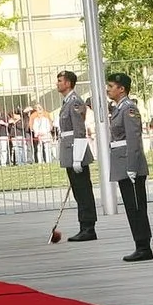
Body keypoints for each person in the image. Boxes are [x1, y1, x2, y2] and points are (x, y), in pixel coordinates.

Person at [105, 72, 153, 262]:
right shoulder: (119, 108)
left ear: (121, 89)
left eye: (111, 86)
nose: (108, 89)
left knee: (136, 207)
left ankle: (143, 246)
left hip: (129, 163)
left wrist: (132, 166)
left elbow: (133, 139)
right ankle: (139, 245)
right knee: (131, 207)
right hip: (122, 162)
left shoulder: (128, 108)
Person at [53, 71, 97, 242]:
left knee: (83, 190)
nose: (57, 84)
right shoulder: (67, 102)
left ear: (69, 83)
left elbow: (79, 130)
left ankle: (88, 227)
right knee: (78, 191)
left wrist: (78, 157)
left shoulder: (75, 102)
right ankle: (84, 226)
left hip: (75, 151)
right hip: (70, 150)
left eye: (60, 81)